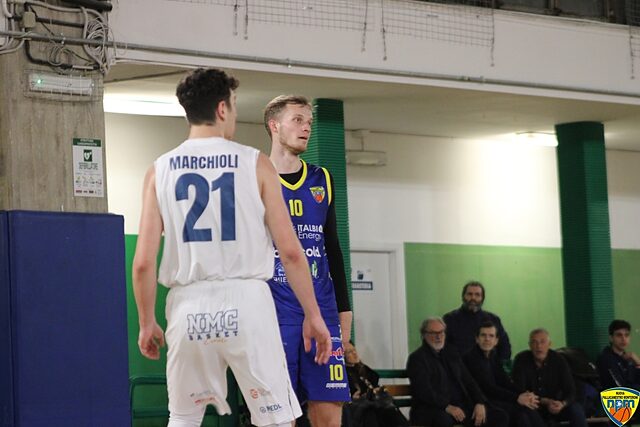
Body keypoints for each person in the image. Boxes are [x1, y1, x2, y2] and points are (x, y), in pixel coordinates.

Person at [132, 68, 332, 427]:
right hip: (247, 301)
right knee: (275, 419)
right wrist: (314, 315)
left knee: (183, 418)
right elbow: (290, 252)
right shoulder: (255, 162)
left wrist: (147, 322)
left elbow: (144, 263)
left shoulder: (159, 170)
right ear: (222, 108)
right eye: (235, 106)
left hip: (188, 305)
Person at [264, 95, 353, 427]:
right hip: (274, 311)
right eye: (298, 120)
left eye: (309, 122)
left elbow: (332, 248)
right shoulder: (254, 178)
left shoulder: (322, 178)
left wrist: (344, 312)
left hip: (323, 311)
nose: (306, 128)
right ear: (275, 125)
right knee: (277, 417)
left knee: (329, 412)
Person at [406, 317, 509, 427]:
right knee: (443, 420)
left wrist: (479, 402)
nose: (438, 336)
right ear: (424, 335)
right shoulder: (417, 359)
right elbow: (424, 391)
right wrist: (447, 406)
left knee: (499, 416)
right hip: (432, 409)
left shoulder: (451, 353)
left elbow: (468, 381)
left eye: (441, 332)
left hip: (460, 406)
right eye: (433, 333)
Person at [463, 322, 545, 427]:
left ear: (496, 341)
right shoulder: (471, 358)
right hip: (481, 401)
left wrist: (525, 394)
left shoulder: (493, 355)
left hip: (495, 397)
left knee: (530, 407)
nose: (487, 339)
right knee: (519, 412)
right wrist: (517, 398)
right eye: (483, 335)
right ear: (477, 339)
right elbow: (488, 388)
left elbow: (504, 381)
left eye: (491, 336)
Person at [511, 328, 587, 427]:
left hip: (555, 405)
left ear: (549, 344)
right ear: (530, 345)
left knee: (576, 409)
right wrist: (544, 401)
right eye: (534, 342)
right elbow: (519, 390)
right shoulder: (521, 360)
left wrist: (562, 404)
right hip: (533, 404)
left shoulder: (559, 360)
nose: (539, 346)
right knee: (524, 412)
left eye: (542, 342)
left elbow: (570, 389)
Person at [443, 281, 512, 362]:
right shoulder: (450, 319)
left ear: (482, 298)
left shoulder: (493, 319)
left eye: (477, 295)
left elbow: (504, 347)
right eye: (469, 294)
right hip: (458, 367)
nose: (473, 298)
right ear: (463, 296)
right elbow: (444, 347)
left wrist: (497, 366)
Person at [344, 341, 409, 427]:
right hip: (362, 410)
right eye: (349, 352)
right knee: (381, 411)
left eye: (354, 350)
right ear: (342, 356)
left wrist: (376, 391)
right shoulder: (344, 373)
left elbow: (373, 382)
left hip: (375, 406)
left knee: (389, 408)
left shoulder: (363, 369)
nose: (354, 353)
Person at [596, 319, 640, 391]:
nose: (623, 339)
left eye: (626, 335)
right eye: (619, 335)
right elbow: (620, 388)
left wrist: (638, 363)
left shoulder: (629, 358)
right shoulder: (605, 359)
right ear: (611, 338)